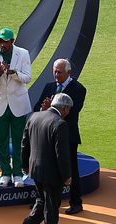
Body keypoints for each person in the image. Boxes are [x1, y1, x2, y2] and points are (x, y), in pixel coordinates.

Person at [34, 59, 86, 215]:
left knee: (71, 170)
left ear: (68, 72)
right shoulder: (49, 86)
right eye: (54, 71)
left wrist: (52, 109)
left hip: (67, 136)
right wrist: (43, 108)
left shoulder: (78, 89)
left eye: (59, 72)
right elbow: (36, 107)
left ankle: (76, 202)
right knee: (45, 168)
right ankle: (42, 202)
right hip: (47, 136)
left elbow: (73, 111)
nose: (56, 75)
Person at [0, 27, 32, 188]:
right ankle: (6, 173)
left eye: (5, 41)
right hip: (0, 104)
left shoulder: (23, 53)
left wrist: (12, 72)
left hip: (18, 103)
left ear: (12, 41)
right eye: (0, 41)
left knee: (19, 139)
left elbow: (27, 77)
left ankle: (18, 173)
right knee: (2, 141)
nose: (2, 44)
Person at [21, 93, 74, 224]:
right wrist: (67, 175)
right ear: (65, 108)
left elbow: (24, 143)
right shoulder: (60, 123)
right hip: (52, 174)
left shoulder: (34, 117)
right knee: (51, 207)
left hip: (35, 170)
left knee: (41, 200)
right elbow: (61, 154)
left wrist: (25, 165)